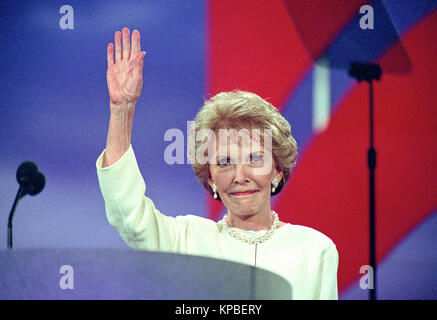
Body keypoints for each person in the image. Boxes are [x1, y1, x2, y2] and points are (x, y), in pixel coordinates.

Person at [96, 28, 339, 299]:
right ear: (210, 177)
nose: (240, 175)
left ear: (277, 170)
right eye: (224, 162)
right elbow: (126, 212)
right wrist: (121, 110)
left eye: (254, 159)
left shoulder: (315, 250)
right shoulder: (186, 241)